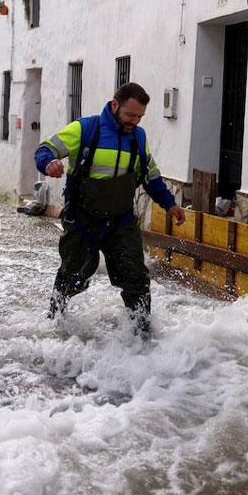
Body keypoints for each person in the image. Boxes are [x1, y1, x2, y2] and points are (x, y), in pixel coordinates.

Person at [35, 82, 186, 339]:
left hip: (121, 222)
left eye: (140, 116)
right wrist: (49, 162)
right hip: (82, 220)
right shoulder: (85, 129)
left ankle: (142, 336)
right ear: (115, 105)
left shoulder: (138, 138)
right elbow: (45, 149)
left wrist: (170, 204)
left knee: (136, 277)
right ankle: (55, 321)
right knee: (74, 275)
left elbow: (150, 177)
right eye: (130, 115)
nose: (134, 121)